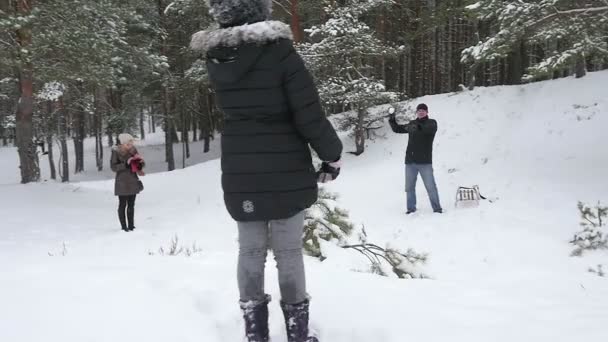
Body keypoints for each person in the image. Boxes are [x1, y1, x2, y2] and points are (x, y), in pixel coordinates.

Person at [191, 1, 342, 341]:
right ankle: (297, 334)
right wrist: (332, 155)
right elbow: (308, 113)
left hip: (240, 167)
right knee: (288, 252)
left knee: (250, 250)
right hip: (285, 165)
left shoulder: (217, 57)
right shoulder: (280, 52)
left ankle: (255, 334)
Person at [389, 103, 442, 214]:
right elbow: (397, 129)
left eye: (423, 110)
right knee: (409, 187)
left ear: (427, 112)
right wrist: (392, 119)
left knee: (430, 187)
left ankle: (437, 209)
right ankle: (411, 209)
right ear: (416, 112)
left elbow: (428, 129)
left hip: (425, 162)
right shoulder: (412, 124)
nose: (421, 112)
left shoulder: (432, 123)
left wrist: (417, 126)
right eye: (419, 110)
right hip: (410, 162)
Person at [110, 133, 145, 232]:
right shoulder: (115, 152)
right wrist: (126, 164)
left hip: (133, 180)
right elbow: (113, 167)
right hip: (122, 182)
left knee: (131, 204)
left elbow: (139, 164)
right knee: (122, 204)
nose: (131, 145)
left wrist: (140, 164)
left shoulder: (133, 150)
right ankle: (123, 227)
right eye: (128, 143)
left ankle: (131, 225)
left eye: (131, 143)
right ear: (122, 143)